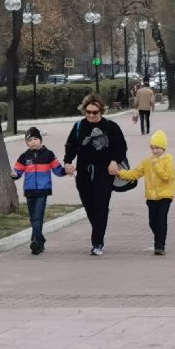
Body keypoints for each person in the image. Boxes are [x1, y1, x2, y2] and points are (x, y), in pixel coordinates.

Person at [62, 94, 128, 256]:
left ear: (101, 111)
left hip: (104, 172)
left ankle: (97, 242)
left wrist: (115, 161)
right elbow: (71, 146)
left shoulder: (111, 126)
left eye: (95, 112)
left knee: (100, 204)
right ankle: (98, 232)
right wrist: (68, 162)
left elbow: (121, 147)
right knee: (89, 205)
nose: (91, 115)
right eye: (88, 112)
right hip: (84, 173)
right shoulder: (79, 127)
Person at [110, 129, 175, 255]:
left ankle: (160, 245)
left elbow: (167, 177)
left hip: (165, 195)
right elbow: (135, 173)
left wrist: (157, 165)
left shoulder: (169, 160)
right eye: (152, 148)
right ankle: (159, 238)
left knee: (161, 219)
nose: (155, 151)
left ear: (163, 147)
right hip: (151, 196)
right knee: (152, 221)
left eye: (157, 148)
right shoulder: (148, 161)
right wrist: (120, 173)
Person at [11, 127, 67, 255]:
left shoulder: (48, 154)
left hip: (43, 190)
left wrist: (66, 171)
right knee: (33, 218)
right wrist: (14, 174)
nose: (33, 142)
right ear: (27, 142)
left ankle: (36, 240)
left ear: (40, 140)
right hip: (29, 191)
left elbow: (58, 170)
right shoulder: (24, 156)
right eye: (30, 140)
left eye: (35, 139)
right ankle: (39, 241)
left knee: (37, 217)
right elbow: (18, 171)